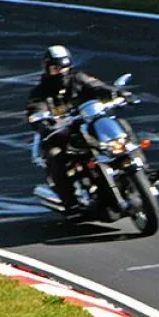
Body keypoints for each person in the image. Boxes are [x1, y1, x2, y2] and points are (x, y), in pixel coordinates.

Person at [26, 45, 121, 219]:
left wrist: (115, 92)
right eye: (55, 68)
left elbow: (96, 86)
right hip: (59, 135)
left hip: (86, 126)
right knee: (55, 156)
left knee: (120, 127)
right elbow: (35, 109)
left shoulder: (78, 79)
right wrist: (43, 122)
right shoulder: (40, 92)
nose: (60, 72)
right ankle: (71, 203)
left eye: (63, 67)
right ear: (47, 69)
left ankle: (139, 168)